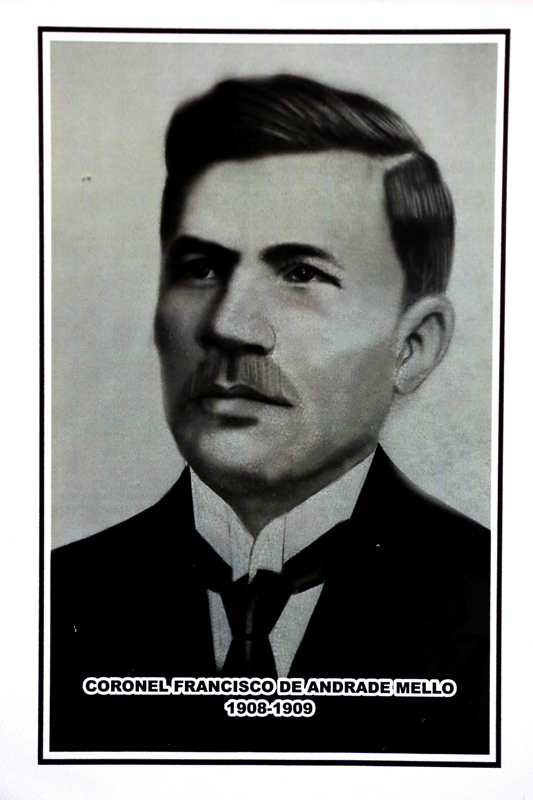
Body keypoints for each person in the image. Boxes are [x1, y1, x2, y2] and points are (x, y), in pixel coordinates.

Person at [50, 75, 490, 756]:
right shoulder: (51, 599)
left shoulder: (498, 601)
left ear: (411, 347)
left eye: (301, 274)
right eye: (201, 268)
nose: (228, 324)